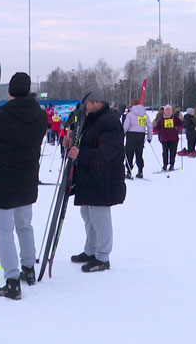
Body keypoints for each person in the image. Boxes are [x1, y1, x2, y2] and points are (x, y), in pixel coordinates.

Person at [0, 72, 49, 300]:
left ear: (10, 92)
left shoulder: (2, 116)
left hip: (2, 182)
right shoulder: (40, 115)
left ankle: (12, 280)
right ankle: (29, 267)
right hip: (27, 179)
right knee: (25, 226)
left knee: (5, 232)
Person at [65, 95, 126, 273]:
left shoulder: (110, 121)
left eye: (89, 103)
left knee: (100, 217)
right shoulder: (90, 119)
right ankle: (91, 250)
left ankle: (102, 256)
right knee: (87, 214)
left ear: (99, 103)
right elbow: (83, 142)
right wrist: (72, 144)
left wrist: (81, 154)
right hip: (89, 176)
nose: (86, 107)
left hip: (104, 178)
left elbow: (107, 152)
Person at [123, 98, 152, 179]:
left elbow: (126, 126)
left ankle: (129, 171)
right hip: (141, 135)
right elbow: (149, 126)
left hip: (131, 135)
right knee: (139, 153)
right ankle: (140, 171)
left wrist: (121, 134)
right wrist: (150, 137)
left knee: (129, 153)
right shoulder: (145, 115)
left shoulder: (130, 115)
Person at [157, 105, 183, 171]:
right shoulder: (162, 119)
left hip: (173, 138)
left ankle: (172, 165)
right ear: (164, 111)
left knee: (173, 152)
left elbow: (181, 123)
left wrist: (181, 121)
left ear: (171, 111)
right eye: (166, 110)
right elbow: (158, 127)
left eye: (169, 110)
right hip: (164, 138)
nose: (168, 111)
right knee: (165, 152)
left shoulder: (175, 117)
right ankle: (165, 165)